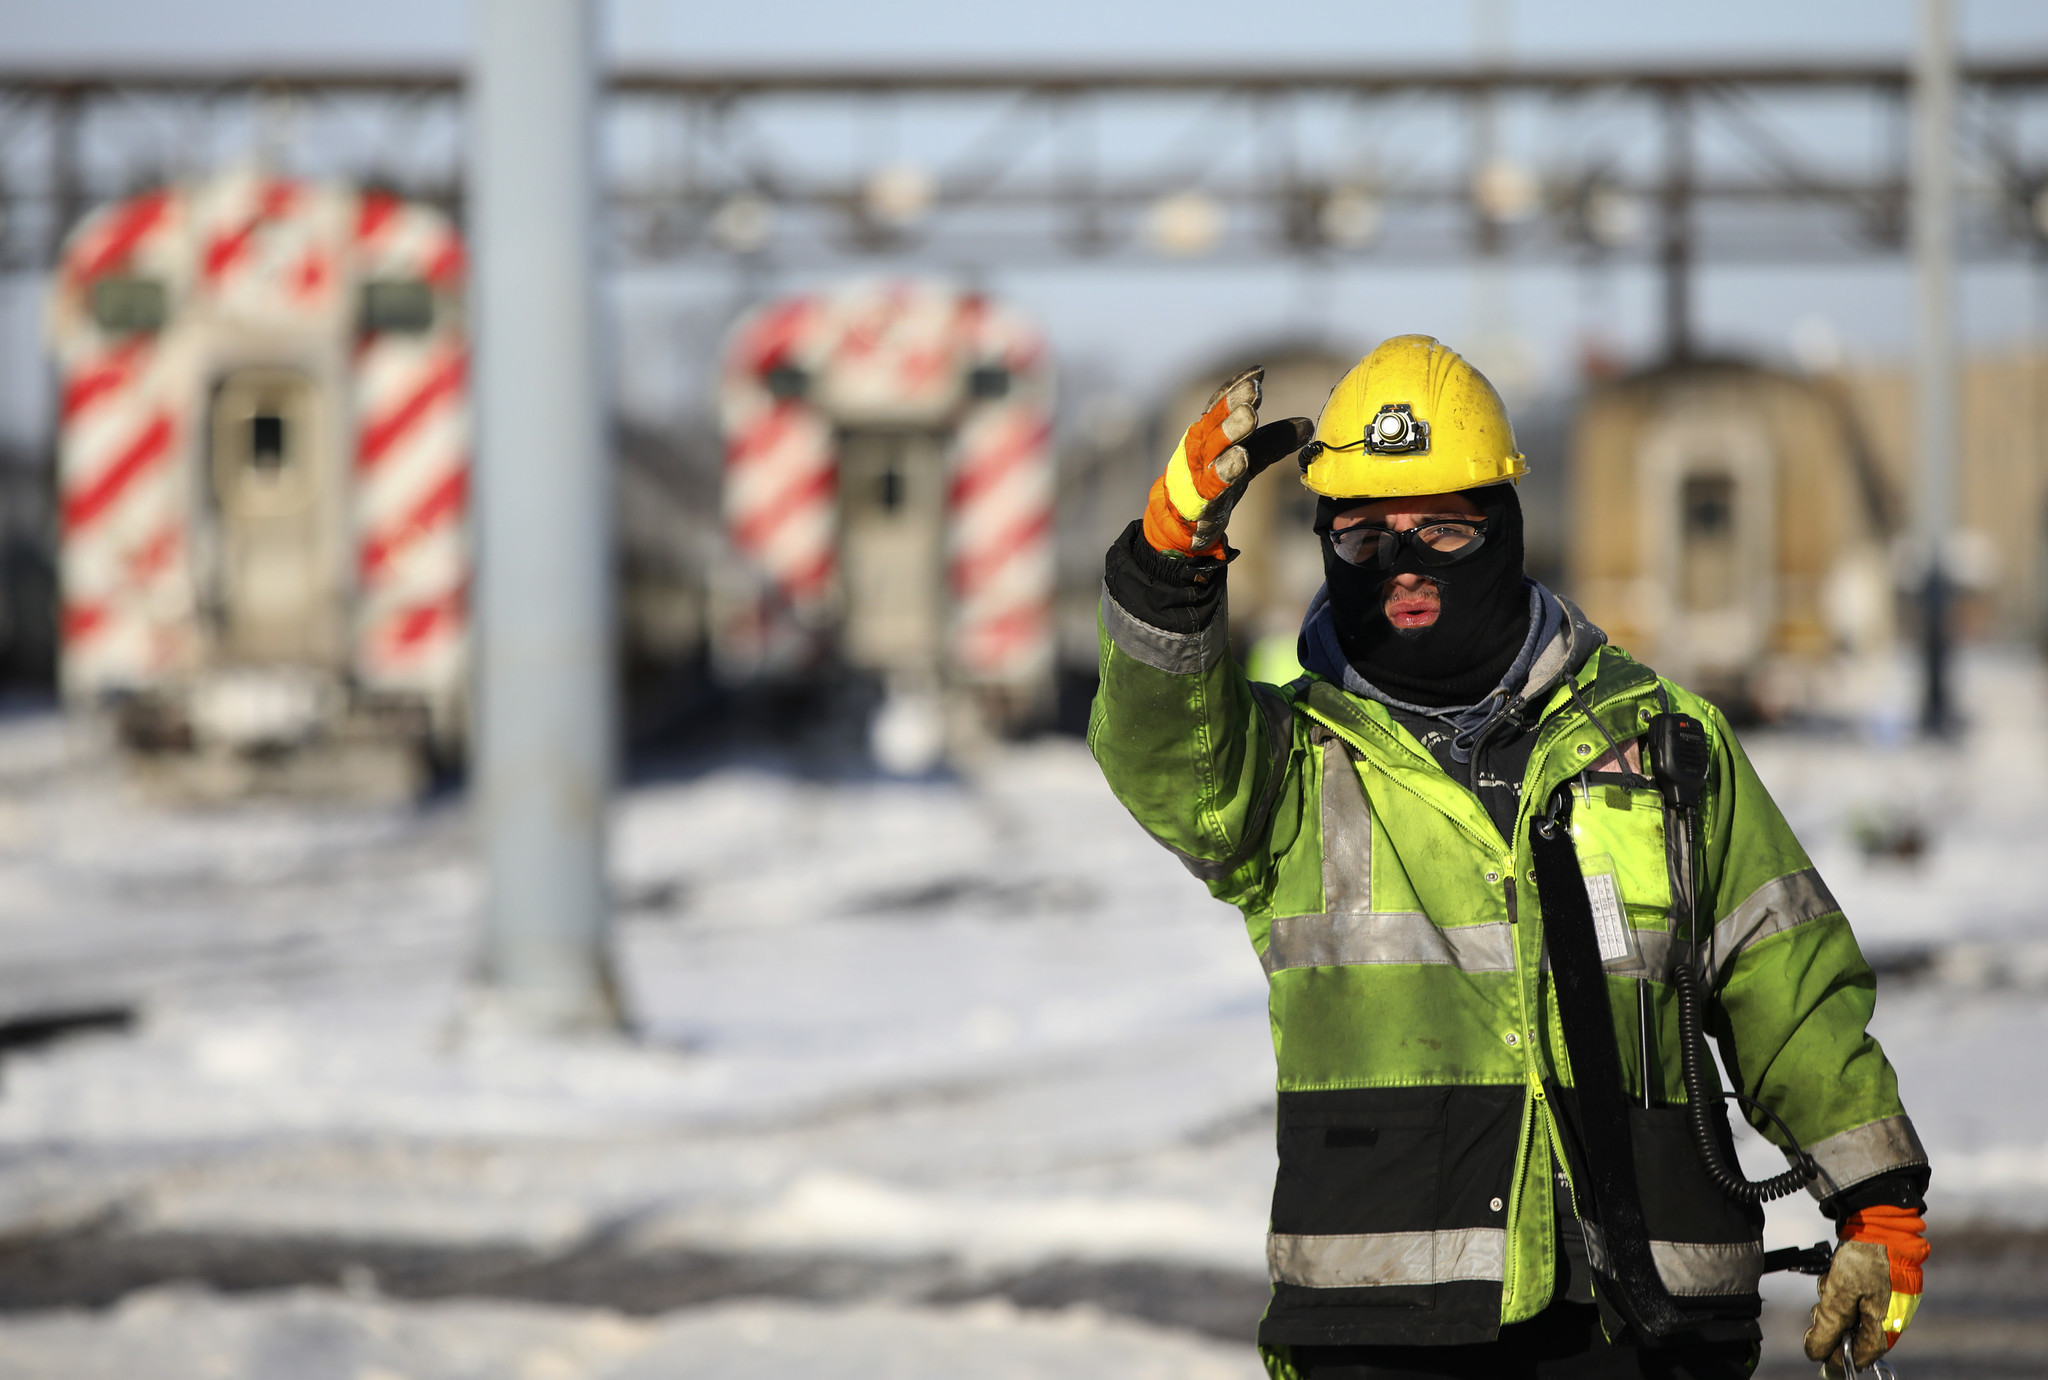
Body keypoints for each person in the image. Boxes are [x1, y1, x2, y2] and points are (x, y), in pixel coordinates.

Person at [1088, 336, 1929, 1379]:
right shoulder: (1290, 769)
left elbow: (1784, 981)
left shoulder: (1664, 744)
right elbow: (1158, 748)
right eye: (1360, 537)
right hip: (1387, 1329)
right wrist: (1167, 565)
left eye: (1439, 526)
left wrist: (1875, 1201)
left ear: (1503, 525)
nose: (1400, 563)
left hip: (1645, 1325)